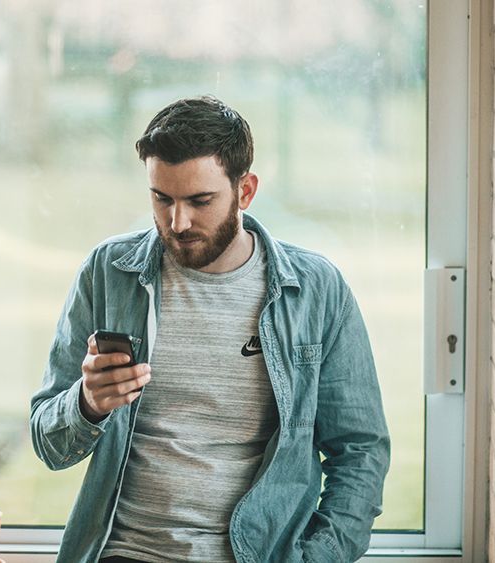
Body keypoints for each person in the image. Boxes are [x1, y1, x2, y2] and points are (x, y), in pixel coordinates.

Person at [30, 96, 390, 563]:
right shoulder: (108, 272)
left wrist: (319, 557)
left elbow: (360, 451)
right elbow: (48, 443)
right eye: (162, 199)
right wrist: (89, 402)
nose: (178, 223)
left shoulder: (316, 290)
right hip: (125, 553)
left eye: (200, 201)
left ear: (245, 191)